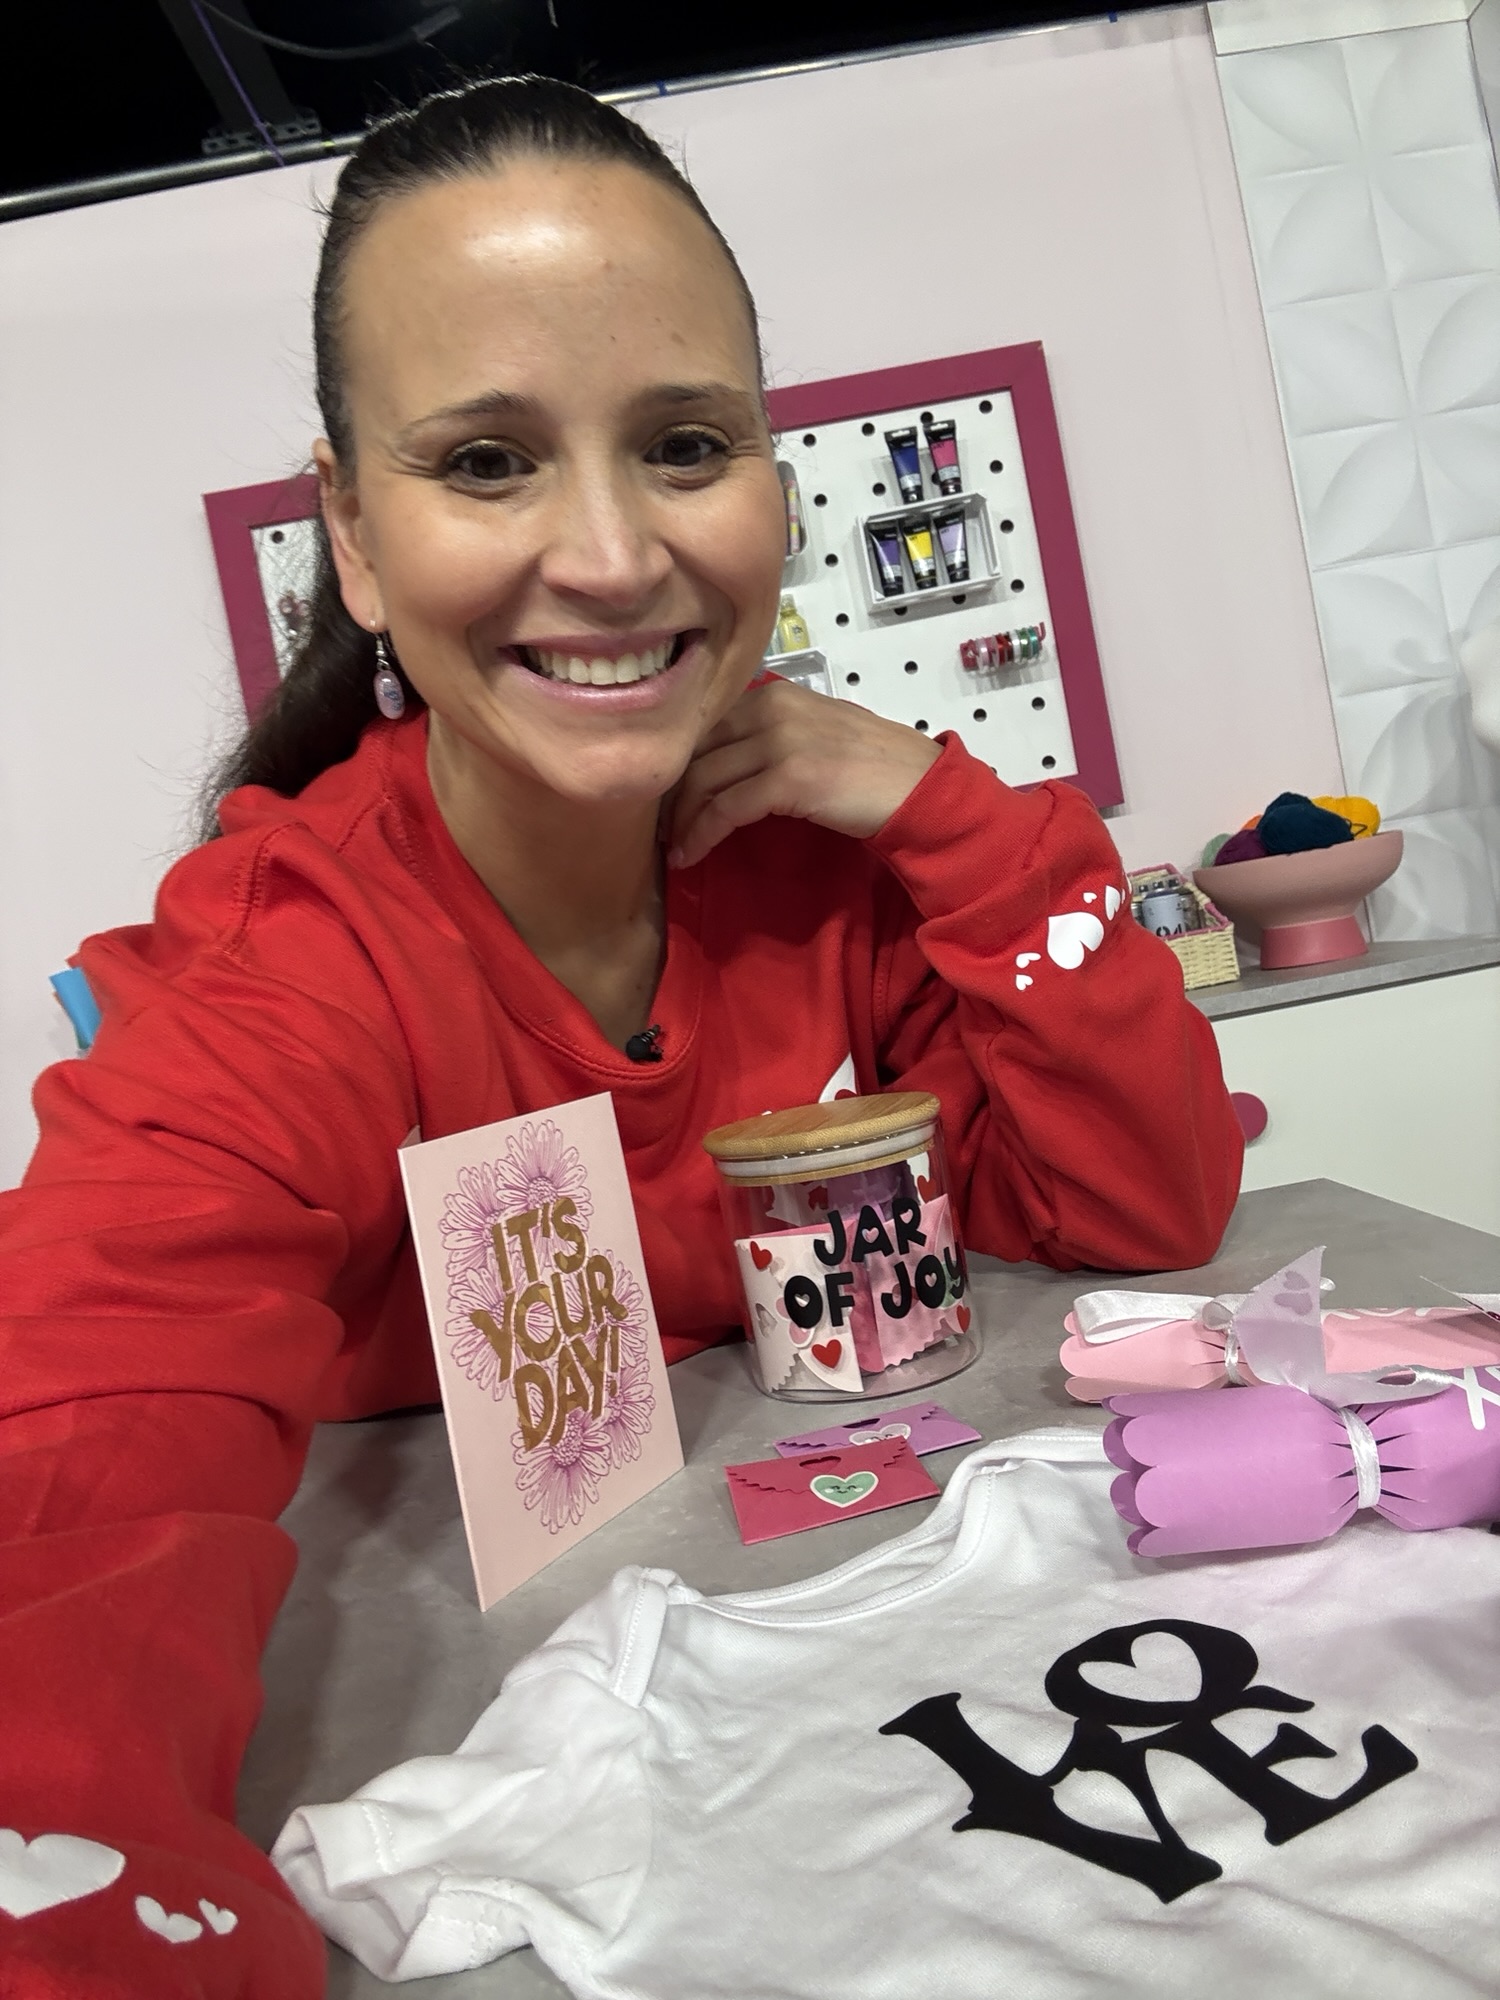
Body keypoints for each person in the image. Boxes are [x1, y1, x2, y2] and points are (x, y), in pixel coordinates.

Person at [0, 76, 1241, 1994]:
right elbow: (77, 1490)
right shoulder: (275, 977)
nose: (607, 554)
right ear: (352, 535)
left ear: (774, 480)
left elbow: (1145, 1201)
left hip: (908, 1744)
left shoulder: (836, 881)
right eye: (485, 463)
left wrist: (954, 817)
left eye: (682, 443)